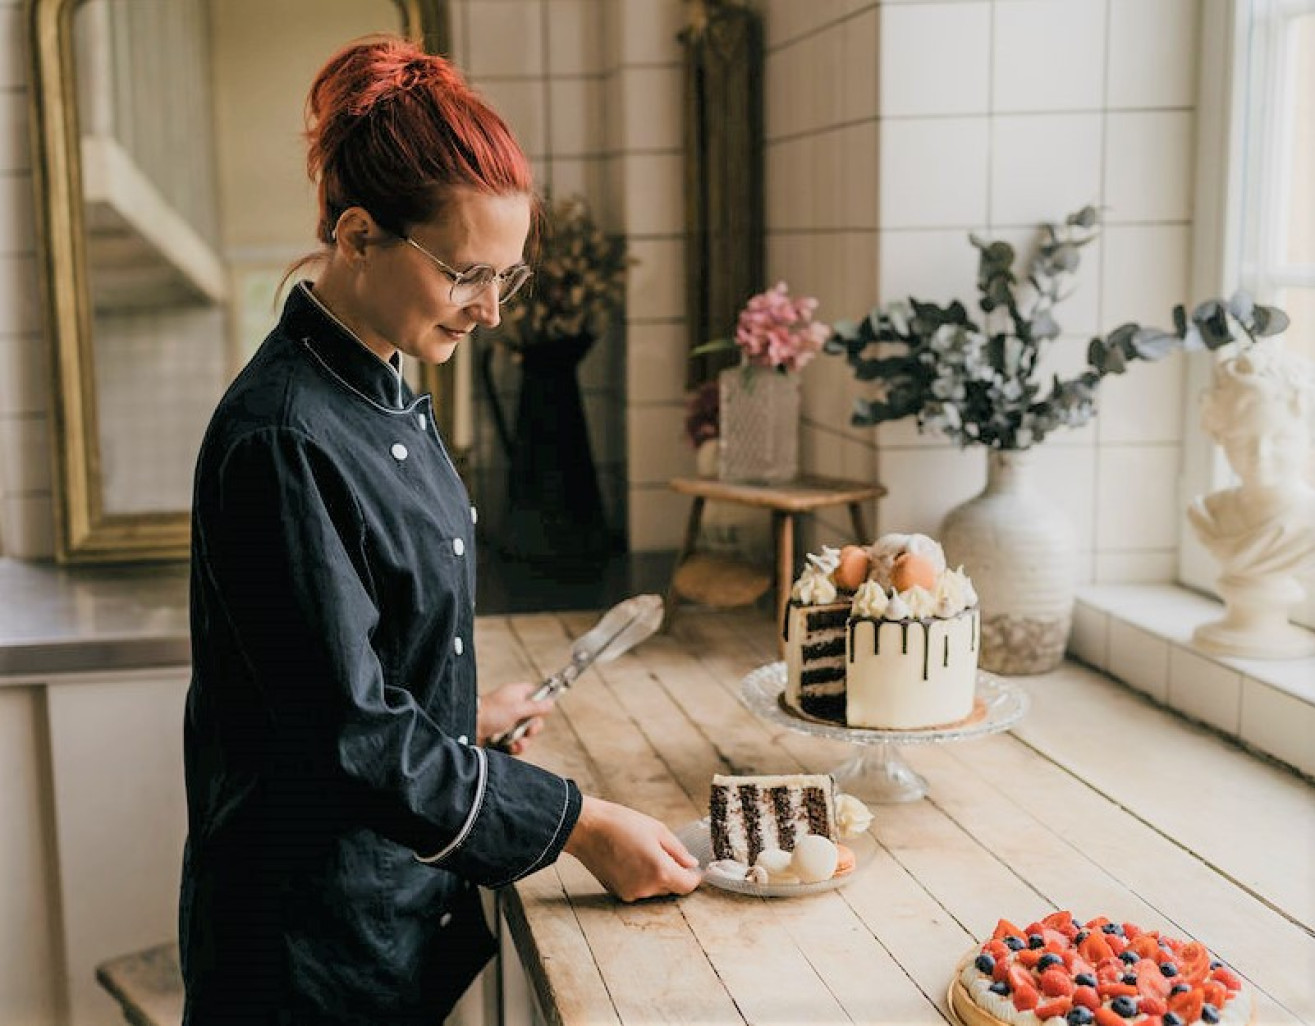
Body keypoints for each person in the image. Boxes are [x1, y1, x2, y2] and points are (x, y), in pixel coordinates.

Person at [180, 36, 700, 1025]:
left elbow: (347, 676)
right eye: (468, 272)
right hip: (303, 957)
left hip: (382, 915)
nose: (493, 311)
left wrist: (458, 719)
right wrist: (577, 824)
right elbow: (347, 736)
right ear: (359, 234)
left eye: (510, 276)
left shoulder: (376, 392)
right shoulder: (284, 437)